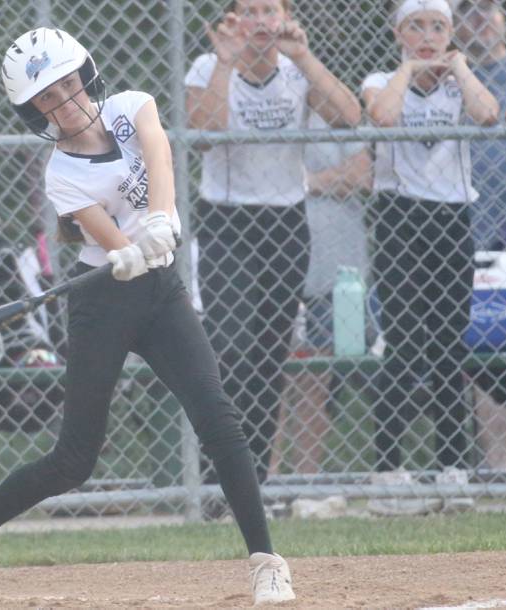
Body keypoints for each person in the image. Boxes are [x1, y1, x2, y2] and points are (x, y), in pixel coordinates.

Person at [0, 27, 296, 607]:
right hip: (103, 297)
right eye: (46, 100)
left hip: (161, 290)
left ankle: (266, 561)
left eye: (68, 85)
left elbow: (158, 151)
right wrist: (125, 251)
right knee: (75, 459)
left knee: (218, 417)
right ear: (35, 113)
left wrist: (159, 220)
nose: (64, 103)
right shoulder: (62, 173)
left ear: (88, 76)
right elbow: (104, 237)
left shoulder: (132, 107)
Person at [184, 0, 361, 496]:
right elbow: (205, 132)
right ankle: (213, 475)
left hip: (284, 221)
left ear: (284, 19)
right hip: (227, 220)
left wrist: (304, 59)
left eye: (270, 10)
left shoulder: (295, 70)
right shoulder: (207, 65)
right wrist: (225, 60)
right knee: (229, 348)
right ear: (234, 20)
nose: (261, 21)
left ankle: (253, 481)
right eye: (250, 11)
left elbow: (348, 115)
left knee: (267, 355)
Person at [361, 0, 498, 515]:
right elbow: (383, 116)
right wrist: (409, 67)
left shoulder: (460, 82)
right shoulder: (382, 77)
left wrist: (456, 64)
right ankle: (388, 472)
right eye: (415, 26)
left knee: (446, 343)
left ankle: (452, 470)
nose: (427, 36)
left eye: (438, 27)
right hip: (400, 215)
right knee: (403, 341)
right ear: (399, 32)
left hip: (451, 216)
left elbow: (487, 114)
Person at [452, 0, 506, 471]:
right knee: (487, 351)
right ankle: (498, 470)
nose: (479, 18)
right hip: (470, 235)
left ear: (505, 16)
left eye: (487, 8)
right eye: (466, 11)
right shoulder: (444, 76)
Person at [269, 113, 373, 476]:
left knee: (317, 379)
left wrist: (304, 182)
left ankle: (305, 481)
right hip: (274, 272)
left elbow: (362, 175)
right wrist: (330, 180)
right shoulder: (268, 112)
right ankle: (264, 481)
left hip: (335, 275)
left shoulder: (334, 114)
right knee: (272, 379)